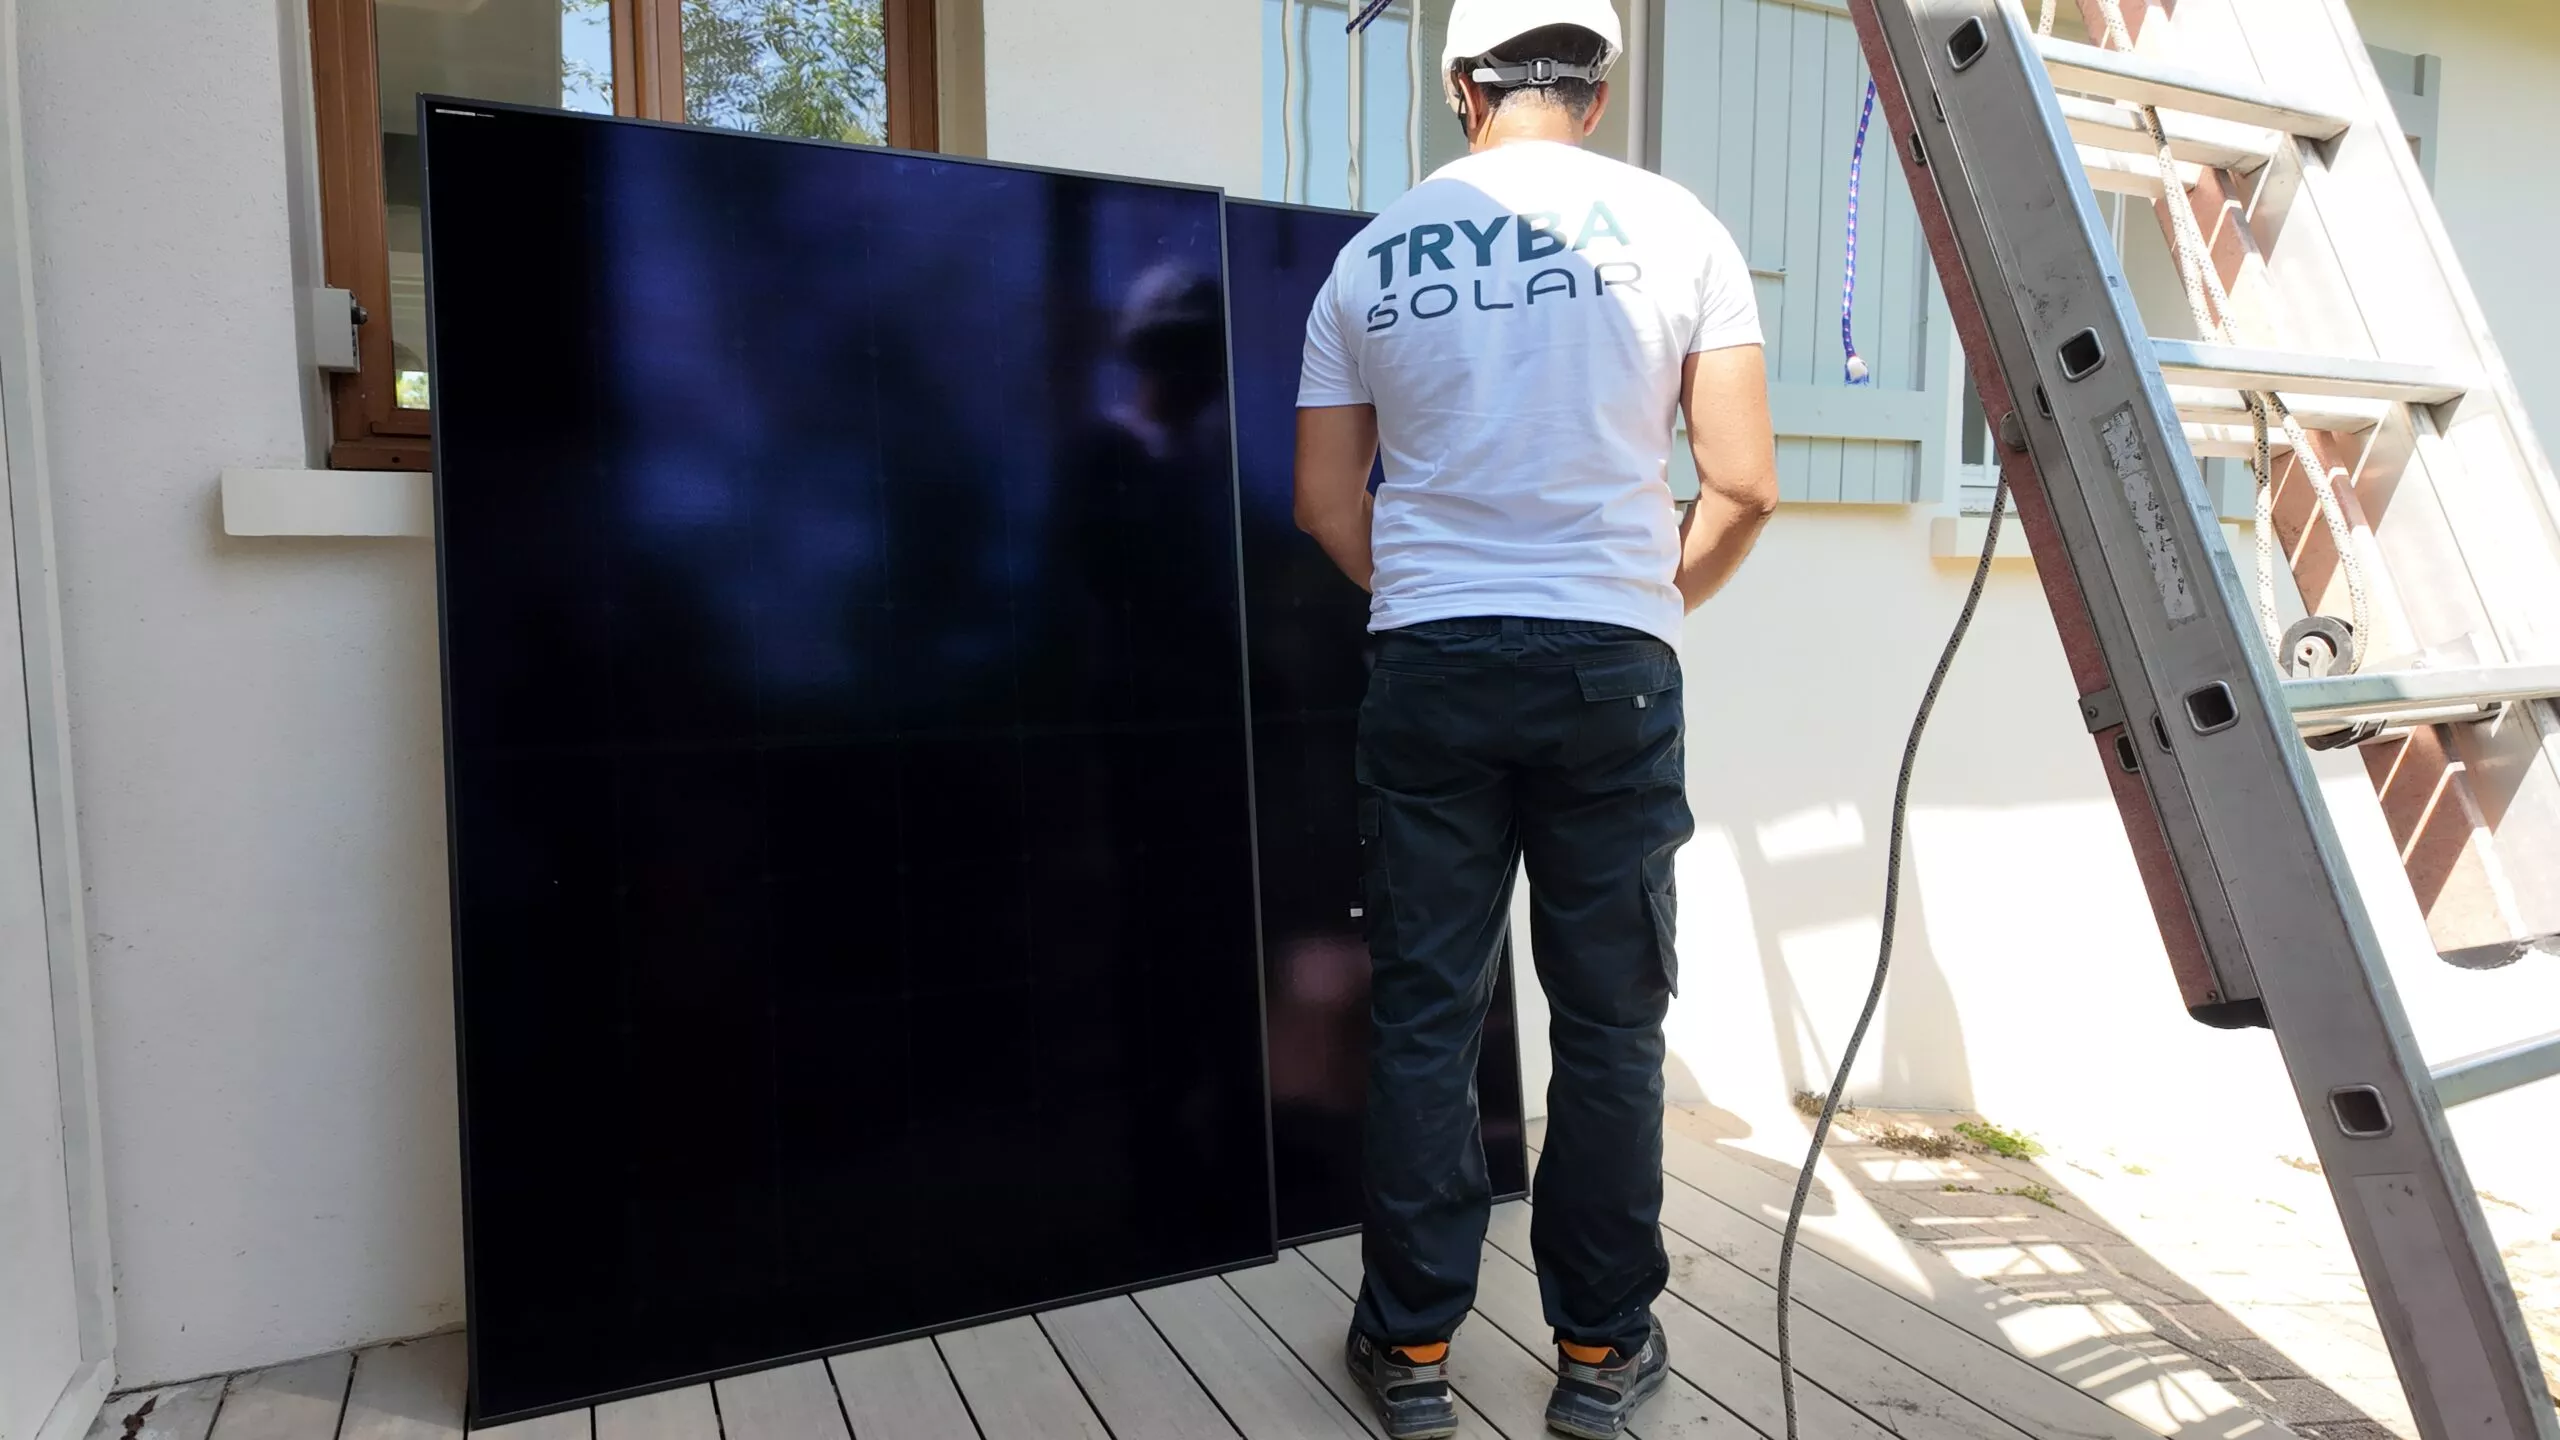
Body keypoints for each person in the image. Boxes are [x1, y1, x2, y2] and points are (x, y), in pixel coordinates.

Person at [1291, 1, 1779, 1435]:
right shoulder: (1680, 229)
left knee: (1428, 1016)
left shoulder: (1371, 257)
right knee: (1612, 1025)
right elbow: (1742, 483)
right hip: (1610, 670)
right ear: (1599, 89)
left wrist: (1439, 601)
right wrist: (1640, 600)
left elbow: (1326, 502)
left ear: (1463, 84)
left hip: (1430, 665)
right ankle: (1599, 1358)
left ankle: (1415, 1356)